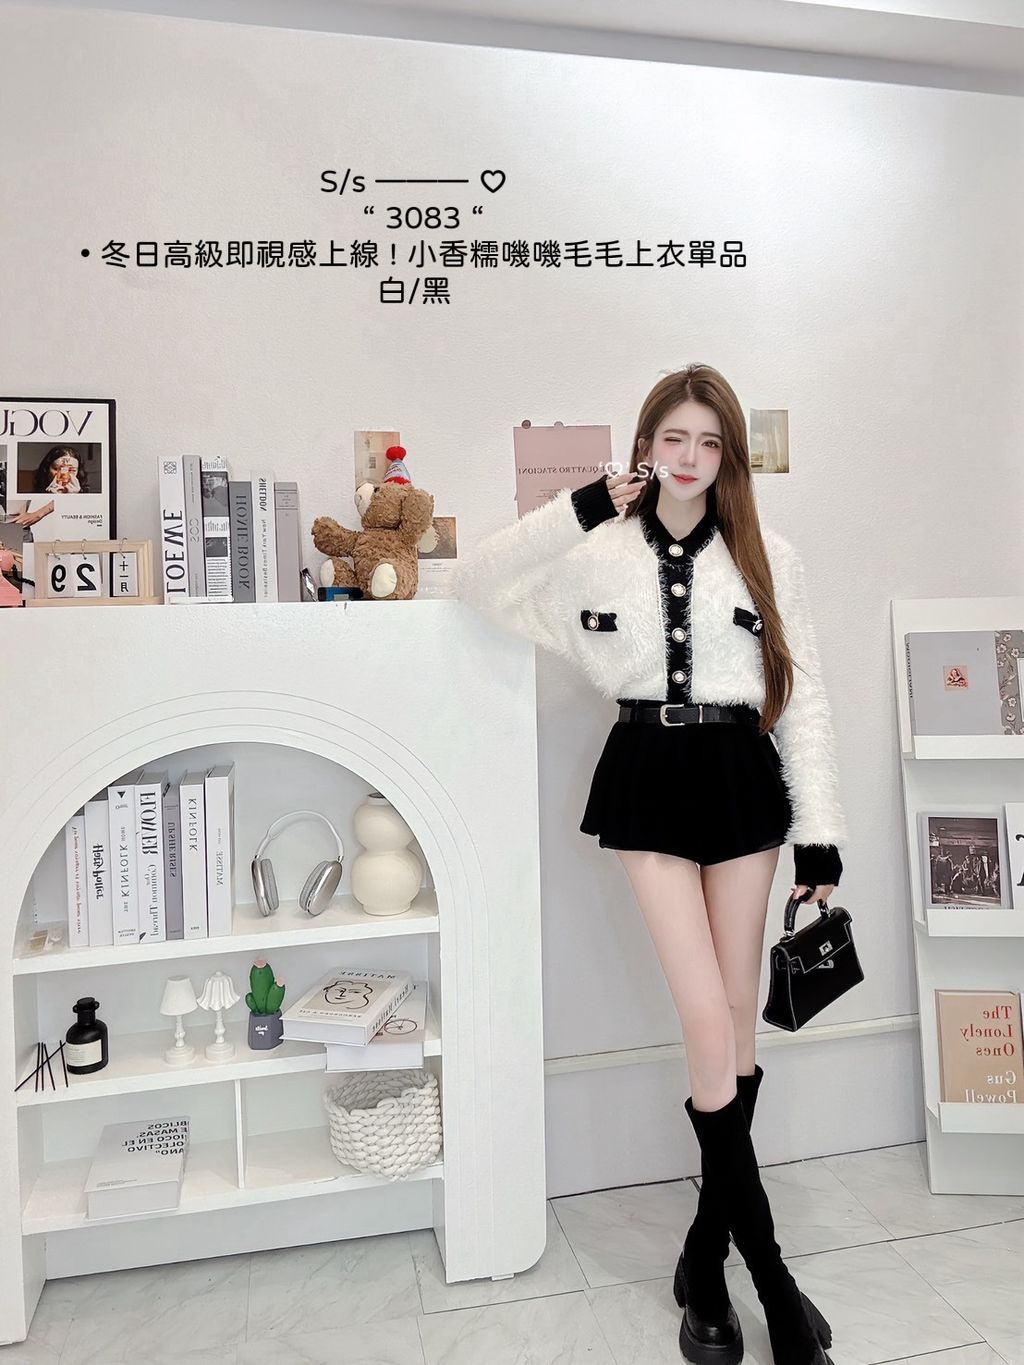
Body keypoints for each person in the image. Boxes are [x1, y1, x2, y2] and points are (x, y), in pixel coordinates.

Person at [454, 363, 846, 1365]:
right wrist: (584, 504)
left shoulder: (770, 555)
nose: (691, 458)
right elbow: (477, 581)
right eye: (675, 438)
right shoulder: (596, 549)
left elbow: (801, 697)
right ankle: (769, 1276)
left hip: (743, 780)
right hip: (647, 775)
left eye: (710, 443)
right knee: (707, 1018)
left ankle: (704, 1261)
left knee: (738, 1029)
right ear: (645, 445)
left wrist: (821, 836)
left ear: (729, 457)